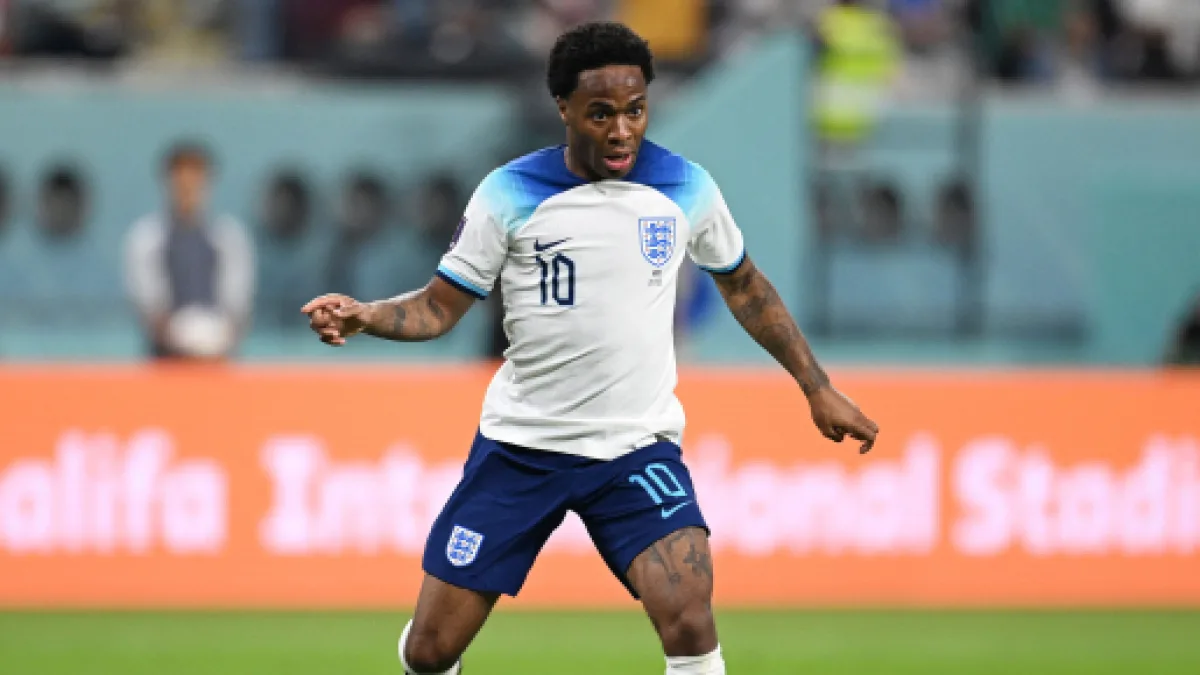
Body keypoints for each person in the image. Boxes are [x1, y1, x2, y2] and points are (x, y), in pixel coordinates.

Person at [302, 22, 878, 675]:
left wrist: (816, 386)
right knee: (432, 650)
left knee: (690, 615)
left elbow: (745, 286)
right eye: (601, 113)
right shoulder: (508, 193)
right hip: (523, 447)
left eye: (636, 110)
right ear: (565, 109)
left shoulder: (686, 187)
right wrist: (367, 316)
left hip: (633, 448)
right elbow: (439, 307)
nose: (622, 130)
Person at [125, 141, 255, 360]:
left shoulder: (229, 237)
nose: (187, 191)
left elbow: (238, 303)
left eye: (194, 183)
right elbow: (147, 304)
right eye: (181, 184)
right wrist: (179, 337)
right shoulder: (146, 237)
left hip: (220, 358)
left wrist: (218, 339)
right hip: (165, 359)